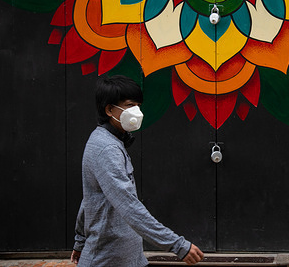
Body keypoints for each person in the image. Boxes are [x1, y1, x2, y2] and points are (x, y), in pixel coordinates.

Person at [70, 75, 204, 266]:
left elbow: (90, 198)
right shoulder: (106, 148)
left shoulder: (111, 142)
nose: (137, 111)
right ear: (109, 109)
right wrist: (177, 245)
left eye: (138, 105)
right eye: (130, 105)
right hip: (106, 259)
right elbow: (128, 206)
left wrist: (80, 241)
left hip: (128, 257)